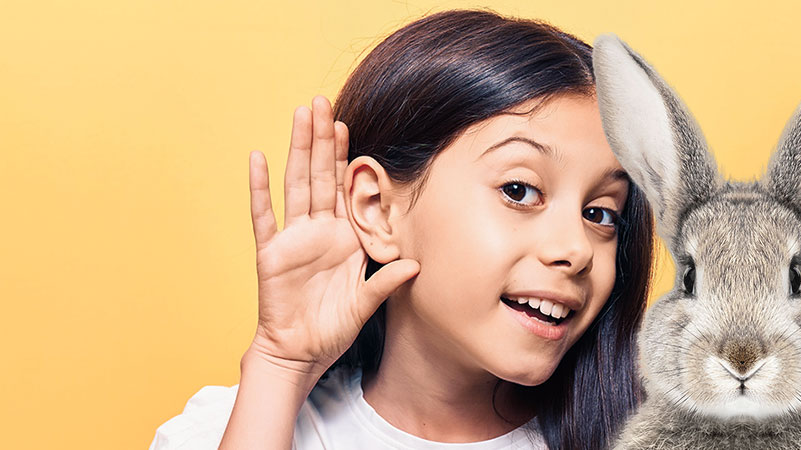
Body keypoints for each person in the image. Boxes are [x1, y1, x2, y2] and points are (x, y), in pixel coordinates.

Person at [149, 8, 656, 450]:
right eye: (520, 190)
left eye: (600, 213)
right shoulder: (238, 425)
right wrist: (280, 364)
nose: (576, 250)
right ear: (377, 209)